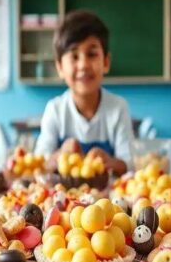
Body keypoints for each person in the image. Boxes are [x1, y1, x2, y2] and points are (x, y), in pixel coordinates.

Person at [34, 10, 134, 175]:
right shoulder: (55, 109)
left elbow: (129, 164)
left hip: (107, 198)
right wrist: (61, 154)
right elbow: (40, 163)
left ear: (106, 62)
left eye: (92, 54)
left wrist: (109, 162)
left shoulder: (118, 108)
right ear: (59, 67)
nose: (83, 65)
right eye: (74, 56)